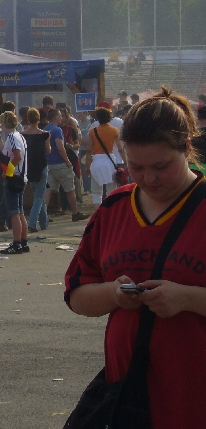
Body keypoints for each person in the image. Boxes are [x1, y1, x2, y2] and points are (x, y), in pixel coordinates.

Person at [64, 87, 206, 428]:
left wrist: (187, 298)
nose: (148, 178)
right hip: (126, 396)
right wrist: (113, 293)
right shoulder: (114, 208)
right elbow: (77, 295)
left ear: (186, 148)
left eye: (161, 166)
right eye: (136, 167)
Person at [44, 109, 89, 222]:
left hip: (49, 164)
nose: (61, 118)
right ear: (55, 117)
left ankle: (42, 214)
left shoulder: (44, 129)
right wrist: (67, 161)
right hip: (61, 163)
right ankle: (75, 212)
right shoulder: (57, 130)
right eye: (60, 115)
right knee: (70, 189)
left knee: (48, 190)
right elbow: (60, 147)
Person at [0, 112, 29, 255]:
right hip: (21, 176)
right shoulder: (18, 136)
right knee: (19, 212)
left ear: (4, 123)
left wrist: (7, 172)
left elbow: (17, 157)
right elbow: (7, 152)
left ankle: (16, 243)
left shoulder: (13, 137)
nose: (0, 125)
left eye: (1, 122)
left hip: (14, 176)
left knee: (14, 213)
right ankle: (23, 241)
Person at [84, 106, 127, 207]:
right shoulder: (114, 130)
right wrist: (126, 162)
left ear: (97, 118)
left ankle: (98, 212)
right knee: (111, 191)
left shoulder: (93, 131)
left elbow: (89, 150)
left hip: (96, 161)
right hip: (110, 161)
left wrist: (87, 166)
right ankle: (110, 211)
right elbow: (120, 149)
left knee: (96, 192)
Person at [22, 108, 51, 233]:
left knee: (37, 193)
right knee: (39, 195)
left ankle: (44, 222)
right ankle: (32, 223)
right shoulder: (45, 134)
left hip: (29, 166)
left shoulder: (22, 134)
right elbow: (48, 150)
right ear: (39, 119)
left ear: (28, 119)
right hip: (42, 165)